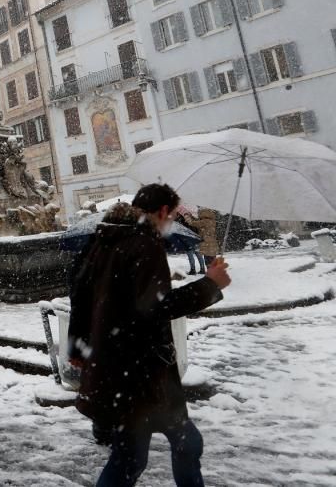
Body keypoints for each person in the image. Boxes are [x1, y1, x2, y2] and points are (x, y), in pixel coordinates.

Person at [68, 183, 232, 487]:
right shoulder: (145, 244)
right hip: (143, 370)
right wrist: (210, 284)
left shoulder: (102, 239)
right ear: (162, 212)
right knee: (179, 444)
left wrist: (77, 349)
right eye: (172, 215)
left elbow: (80, 295)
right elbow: (154, 308)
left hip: (115, 365)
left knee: (132, 455)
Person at [176, 211, 205, 275]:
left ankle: (193, 270)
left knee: (191, 256)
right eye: (185, 216)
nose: (186, 218)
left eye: (187, 216)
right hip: (195, 241)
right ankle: (202, 269)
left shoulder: (186, 223)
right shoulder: (193, 222)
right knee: (198, 255)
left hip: (189, 242)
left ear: (190, 216)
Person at [195, 208, 220, 273]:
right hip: (213, 244)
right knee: (212, 260)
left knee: (208, 260)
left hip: (206, 244)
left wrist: (186, 215)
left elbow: (192, 223)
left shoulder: (204, 221)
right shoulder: (213, 221)